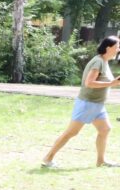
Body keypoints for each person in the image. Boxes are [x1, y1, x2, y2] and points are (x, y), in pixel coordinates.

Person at [42, 35, 120, 168]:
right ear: (108, 47)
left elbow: (105, 82)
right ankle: (47, 158)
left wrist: (113, 82)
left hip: (97, 105)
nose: (119, 49)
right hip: (87, 103)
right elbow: (89, 83)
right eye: (117, 46)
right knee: (71, 132)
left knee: (105, 129)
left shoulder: (104, 62)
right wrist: (111, 83)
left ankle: (100, 161)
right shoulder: (98, 62)